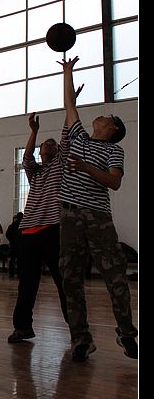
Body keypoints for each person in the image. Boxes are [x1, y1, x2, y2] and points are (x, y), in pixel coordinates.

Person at [59, 56, 137, 362]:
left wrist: (86, 167)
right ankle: (81, 339)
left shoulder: (114, 150)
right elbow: (69, 105)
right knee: (70, 279)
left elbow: (114, 182)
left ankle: (127, 333)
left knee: (115, 275)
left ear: (112, 128)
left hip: (98, 219)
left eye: (106, 117)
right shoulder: (78, 137)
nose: (100, 116)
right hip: (69, 216)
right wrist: (68, 72)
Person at [7, 114, 70, 343]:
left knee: (63, 282)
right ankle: (22, 327)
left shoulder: (60, 166)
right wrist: (34, 131)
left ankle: (76, 330)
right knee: (27, 284)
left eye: (53, 144)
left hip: (53, 229)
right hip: (29, 233)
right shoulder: (35, 173)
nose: (49, 145)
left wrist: (70, 108)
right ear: (40, 150)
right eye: (45, 144)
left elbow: (66, 139)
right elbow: (26, 158)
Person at [5, 212, 23, 278]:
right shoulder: (23, 226)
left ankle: (11, 273)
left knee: (12, 260)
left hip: (13, 245)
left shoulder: (12, 225)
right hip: (20, 245)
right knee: (19, 260)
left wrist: (11, 240)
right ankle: (19, 273)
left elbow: (7, 234)